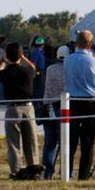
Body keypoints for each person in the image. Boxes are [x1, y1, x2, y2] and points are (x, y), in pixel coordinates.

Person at [64, 30, 95, 179]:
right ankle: (84, 174)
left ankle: (67, 170)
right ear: (90, 44)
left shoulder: (68, 59)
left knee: (71, 138)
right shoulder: (94, 61)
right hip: (90, 101)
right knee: (87, 140)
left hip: (71, 101)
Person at [0, 43, 38, 177]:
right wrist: (23, 57)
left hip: (13, 108)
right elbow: (33, 67)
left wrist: (3, 61)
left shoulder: (6, 73)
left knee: (13, 142)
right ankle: (33, 168)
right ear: (20, 55)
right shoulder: (27, 71)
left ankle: (16, 170)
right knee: (31, 140)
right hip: (28, 108)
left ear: (7, 56)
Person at [39, 44, 67, 177]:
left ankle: (47, 171)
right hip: (64, 107)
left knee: (49, 143)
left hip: (49, 107)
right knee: (65, 141)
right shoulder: (69, 69)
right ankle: (65, 171)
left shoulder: (50, 69)